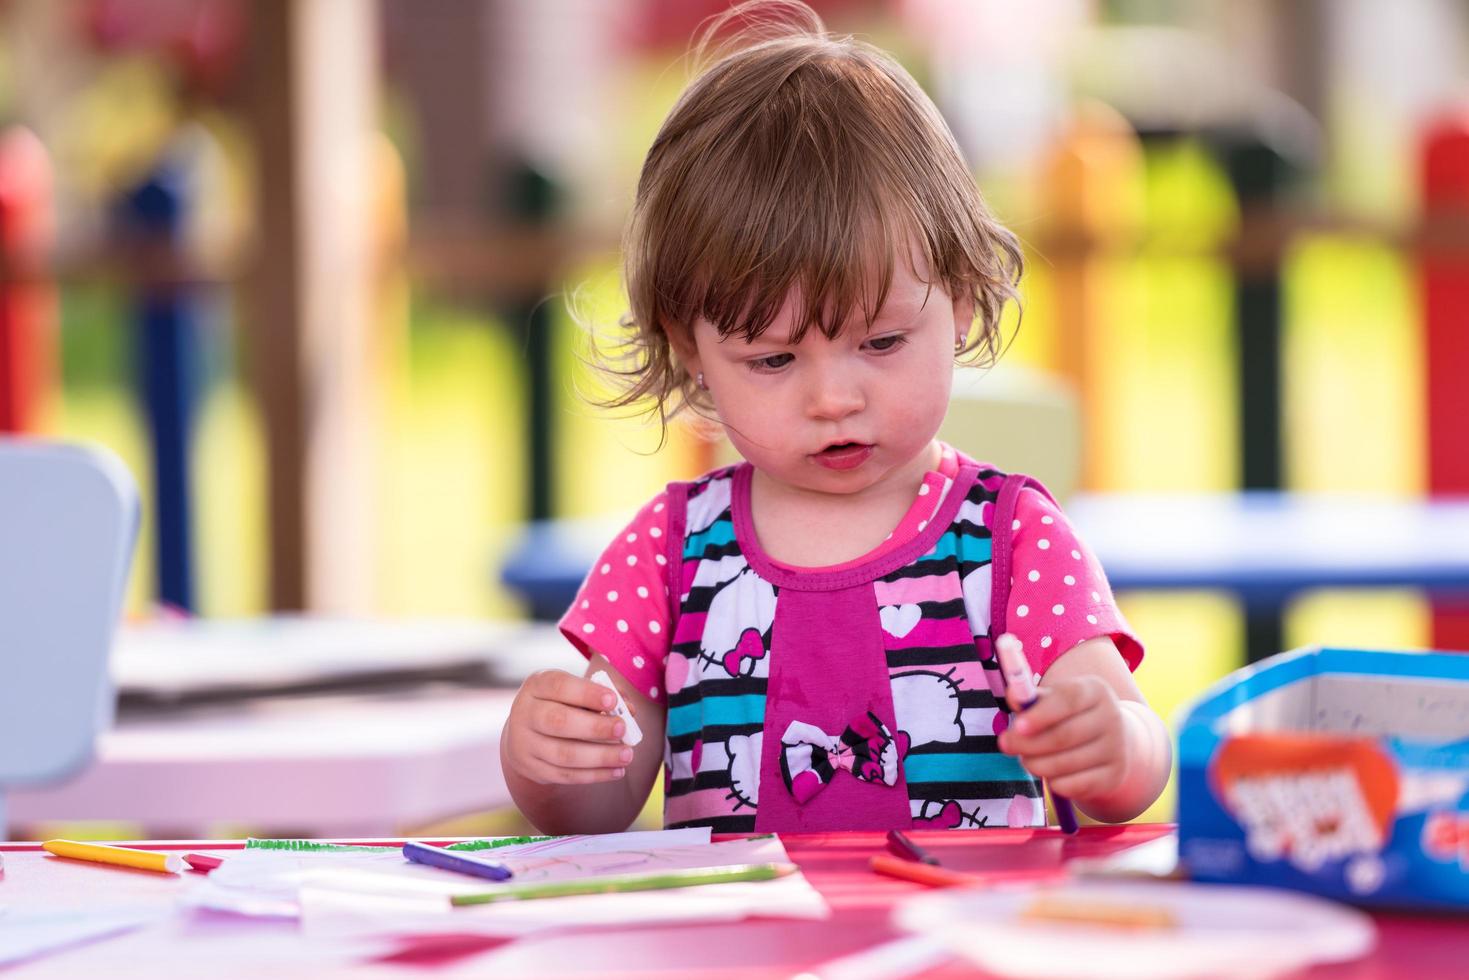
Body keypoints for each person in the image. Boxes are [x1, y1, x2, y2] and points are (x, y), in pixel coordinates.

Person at [501, 0, 1171, 834]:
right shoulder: (670, 552)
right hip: (744, 957)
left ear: (959, 302)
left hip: (949, 954)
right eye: (773, 360)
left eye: (882, 341)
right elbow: (594, 811)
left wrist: (1111, 744)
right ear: (689, 348)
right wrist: (550, 760)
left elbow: (1132, 758)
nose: (834, 398)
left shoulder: (1009, 537)